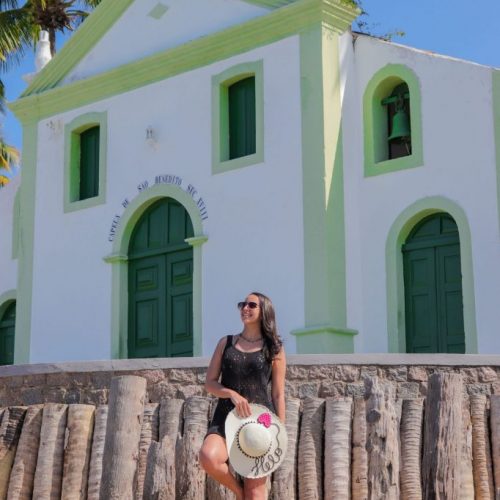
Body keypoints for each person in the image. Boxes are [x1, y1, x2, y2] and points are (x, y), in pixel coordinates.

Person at [199, 292, 286, 500]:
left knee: (256, 492)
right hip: (226, 417)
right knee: (208, 457)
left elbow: (278, 393)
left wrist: (280, 431)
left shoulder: (274, 348)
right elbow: (210, 383)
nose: (245, 308)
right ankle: (239, 493)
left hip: (259, 423)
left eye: (251, 305)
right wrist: (231, 394)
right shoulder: (225, 343)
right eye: (242, 304)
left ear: (264, 310)